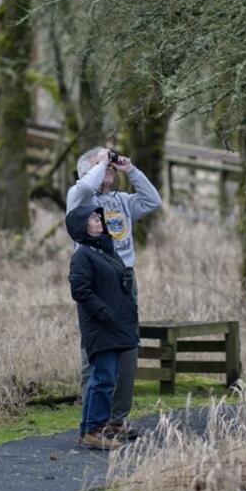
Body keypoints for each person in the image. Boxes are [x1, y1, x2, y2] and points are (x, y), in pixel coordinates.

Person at [66, 146, 161, 440]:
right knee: (95, 353)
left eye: (108, 164)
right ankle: (93, 421)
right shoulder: (80, 199)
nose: (107, 168)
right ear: (87, 171)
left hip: (125, 278)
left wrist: (129, 169)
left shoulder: (121, 200)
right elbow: (86, 186)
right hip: (96, 279)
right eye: (100, 165)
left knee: (127, 349)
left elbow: (153, 201)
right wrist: (101, 162)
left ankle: (117, 419)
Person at [67, 204, 139, 450]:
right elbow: (80, 291)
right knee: (103, 378)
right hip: (101, 326)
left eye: (99, 217)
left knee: (104, 377)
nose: (99, 220)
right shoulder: (83, 255)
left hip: (115, 324)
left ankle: (89, 430)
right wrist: (104, 313)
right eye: (92, 218)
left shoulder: (105, 251)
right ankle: (94, 431)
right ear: (81, 226)